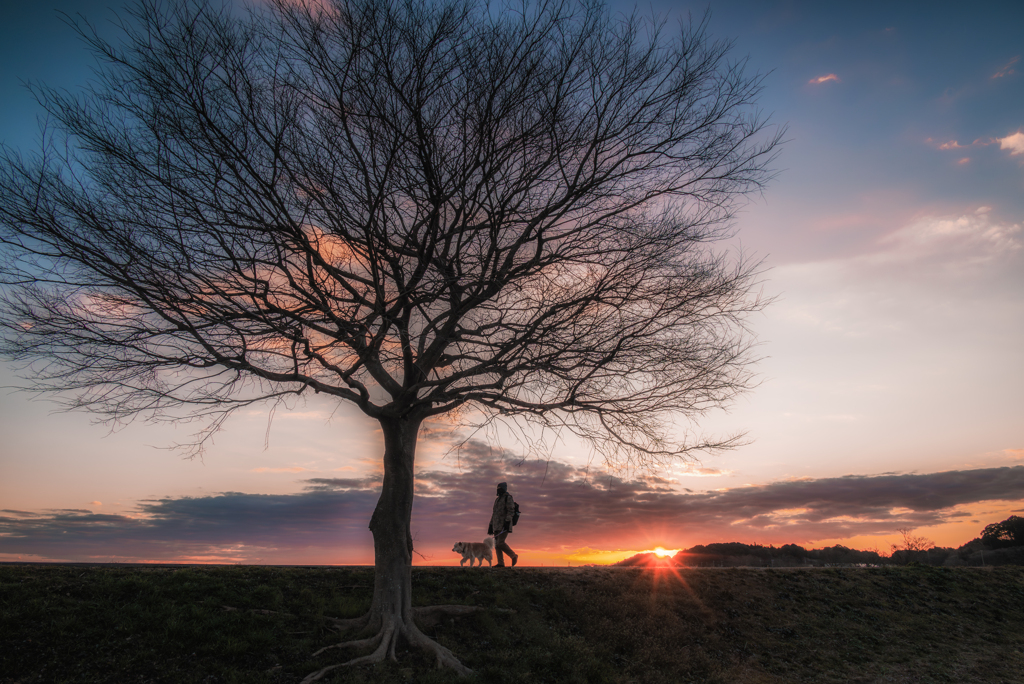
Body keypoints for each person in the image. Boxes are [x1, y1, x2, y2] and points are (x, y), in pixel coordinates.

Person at [487, 481, 518, 567]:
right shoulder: (497, 499)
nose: (498, 490)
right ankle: (501, 563)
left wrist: (507, 522)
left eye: (500, 488)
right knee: (496, 545)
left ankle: (513, 555)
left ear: (504, 489)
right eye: (498, 489)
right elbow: (494, 513)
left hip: (504, 525)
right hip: (496, 525)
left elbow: (511, 510)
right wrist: (490, 525)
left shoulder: (508, 498)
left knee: (500, 543)